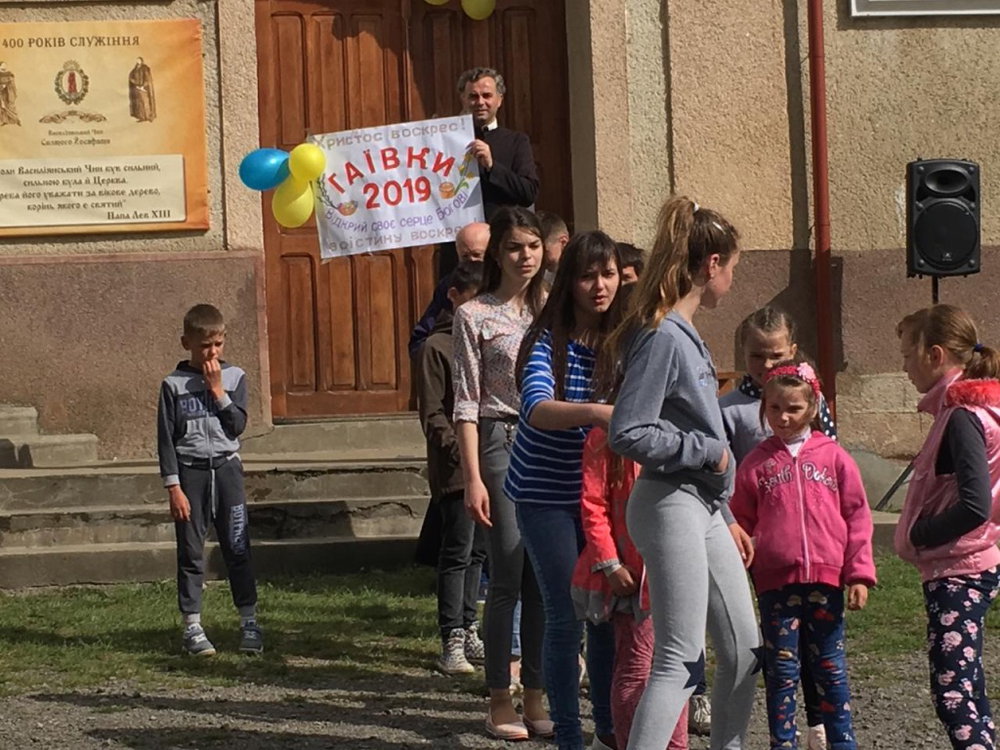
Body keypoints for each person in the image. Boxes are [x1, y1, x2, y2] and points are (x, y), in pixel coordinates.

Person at [606, 196, 759, 749]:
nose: (732, 280)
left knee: (744, 651)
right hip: (669, 503)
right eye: (732, 266)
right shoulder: (663, 336)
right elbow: (628, 430)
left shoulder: (684, 334)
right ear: (711, 264)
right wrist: (706, 451)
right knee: (678, 658)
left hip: (704, 506)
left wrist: (724, 507)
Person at [506, 230, 622, 750]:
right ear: (569, 281)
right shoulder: (546, 341)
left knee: (604, 615)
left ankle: (609, 730)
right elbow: (536, 407)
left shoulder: (624, 342)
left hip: (601, 499)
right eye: (588, 275)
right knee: (565, 615)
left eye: (608, 274)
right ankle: (569, 737)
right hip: (545, 496)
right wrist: (599, 413)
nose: (600, 286)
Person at [729, 360, 876, 750]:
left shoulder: (834, 457)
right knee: (780, 671)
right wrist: (740, 553)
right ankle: (783, 742)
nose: (783, 417)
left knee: (830, 666)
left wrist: (859, 573)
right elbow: (739, 518)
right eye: (774, 407)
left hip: (826, 582)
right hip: (775, 584)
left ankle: (842, 741)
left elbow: (857, 515)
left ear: (812, 408)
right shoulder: (757, 462)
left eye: (793, 408)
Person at [572, 288, 690, 750]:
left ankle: (675, 744)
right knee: (637, 666)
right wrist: (608, 563)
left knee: (679, 665)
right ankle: (628, 741)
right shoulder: (605, 439)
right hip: (632, 577)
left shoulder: (676, 432)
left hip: (673, 567)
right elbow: (593, 504)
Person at [718, 305, 836, 748]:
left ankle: (817, 718)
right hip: (756, 541)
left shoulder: (809, 398)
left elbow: (829, 459)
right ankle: (775, 724)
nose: (766, 365)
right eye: (756, 356)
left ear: (793, 350)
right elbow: (722, 475)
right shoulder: (729, 410)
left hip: (811, 541)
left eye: (776, 355)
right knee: (771, 635)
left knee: (815, 636)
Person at [453, 206, 549, 741]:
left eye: (533, 245)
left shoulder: (553, 309)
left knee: (542, 576)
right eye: (515, 246)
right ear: (498, 253)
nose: (525, 256)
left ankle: (535, 693)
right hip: (501, 441)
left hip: (550, 442)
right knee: (508, 571)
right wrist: (473, 477)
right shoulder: (474, 315)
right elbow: (466, 402)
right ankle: (498, 698)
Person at [894, 304, 1000, 750]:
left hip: (960, 569)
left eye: (907, 355)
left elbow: (974, 505)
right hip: (965, 566)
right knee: (968, 686)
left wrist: (919, 534)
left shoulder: (961, 416)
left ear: (934, 355)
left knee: (952, 693)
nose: (904, 366)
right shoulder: (967, 409)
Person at [157, 304, 260, 657]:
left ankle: (249, 621)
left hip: (227, 471)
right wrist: (174, 487)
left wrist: (218, 391)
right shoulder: (172, 385)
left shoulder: (235, 377)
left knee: (237, 547)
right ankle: (192, 625)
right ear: (186, 343)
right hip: (191, 474)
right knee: (190, 551)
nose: (212, 353)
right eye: (204, 346)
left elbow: (237, 426)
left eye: (218, 344)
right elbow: (166, 439)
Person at [417, 261, 489, 675]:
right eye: (473, 300)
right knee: (457, 550)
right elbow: (432, 414)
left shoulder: (482, 342)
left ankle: (469, 624)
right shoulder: (437, 347)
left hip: (489, 461)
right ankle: (452, 637)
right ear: (454, 298)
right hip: (456, 468)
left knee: (478, 550)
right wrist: (462, 452)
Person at [459, 67, 539, 221]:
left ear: (499, 100)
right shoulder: (449, 141)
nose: (480, 102)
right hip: (458, 232)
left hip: (500, 232)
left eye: (487, 95)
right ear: (463, 99)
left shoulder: (517, 141)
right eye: (473, 96)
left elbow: (528, 194)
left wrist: (492, 166)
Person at [409, 222, 490, 358]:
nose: (471, 261)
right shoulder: (449, 284)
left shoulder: (509, 280)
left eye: (477, 255)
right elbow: (421, 338)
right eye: (465, 256)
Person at [537, 210, 571, 285]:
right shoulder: (544, 277)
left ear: (563, 242)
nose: (541, 258)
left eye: (545, 252)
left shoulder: (583, 272)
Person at [128, 57, 156, 122]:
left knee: (146, 103)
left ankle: (149, 117)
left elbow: (148, 79)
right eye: (137, 60)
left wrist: (143, 86)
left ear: (141, 61)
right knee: (139, 104)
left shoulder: (145, 68)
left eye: (139, 60)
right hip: (137, 88)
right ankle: (142, 117)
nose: (138, 61)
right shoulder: (135, 69)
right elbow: (131, 77)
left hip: (144, 89)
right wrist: (135, 83)